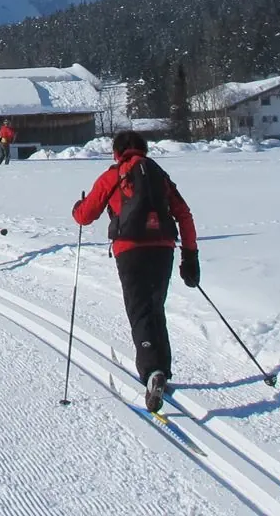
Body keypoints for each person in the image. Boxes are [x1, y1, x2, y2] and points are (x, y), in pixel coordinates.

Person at [71, 130, 199, 413]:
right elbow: (184, 213)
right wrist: (190, 255)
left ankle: (153, 371)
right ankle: (162, 368)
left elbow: (86, 214)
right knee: (156, 306)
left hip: (130, 249)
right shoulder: (159, 175)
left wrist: (77, 208)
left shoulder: (113, 176)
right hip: (163, 247)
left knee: (139, 309)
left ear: (117, 152)